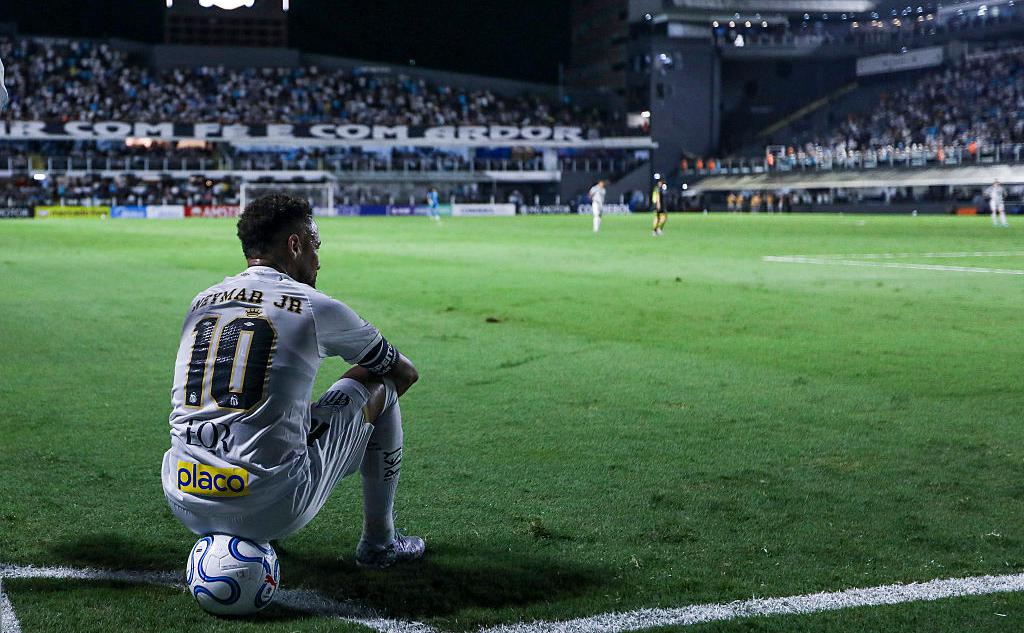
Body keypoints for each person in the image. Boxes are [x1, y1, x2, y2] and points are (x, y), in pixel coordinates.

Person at [161, 193, 424, 568]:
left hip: (184, 497)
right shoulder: (314, 305)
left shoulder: (201, 301)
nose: (318, 259)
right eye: (315, 246)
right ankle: (380, 544)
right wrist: (343, 437)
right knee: (379, 383)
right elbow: (404, 373)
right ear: (295, 245)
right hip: (273, 506)